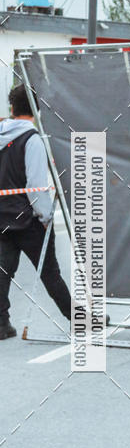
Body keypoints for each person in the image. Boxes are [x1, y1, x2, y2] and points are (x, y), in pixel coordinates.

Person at [0, 84, 71, 339]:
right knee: (50, 274)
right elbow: (36, 186)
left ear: (12, 108)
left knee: (3, 272)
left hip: (2, 218)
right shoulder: (32, 140)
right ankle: (78, 319)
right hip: (29, 221)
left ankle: (1, 324)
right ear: (37, 111)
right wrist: (45, 217)